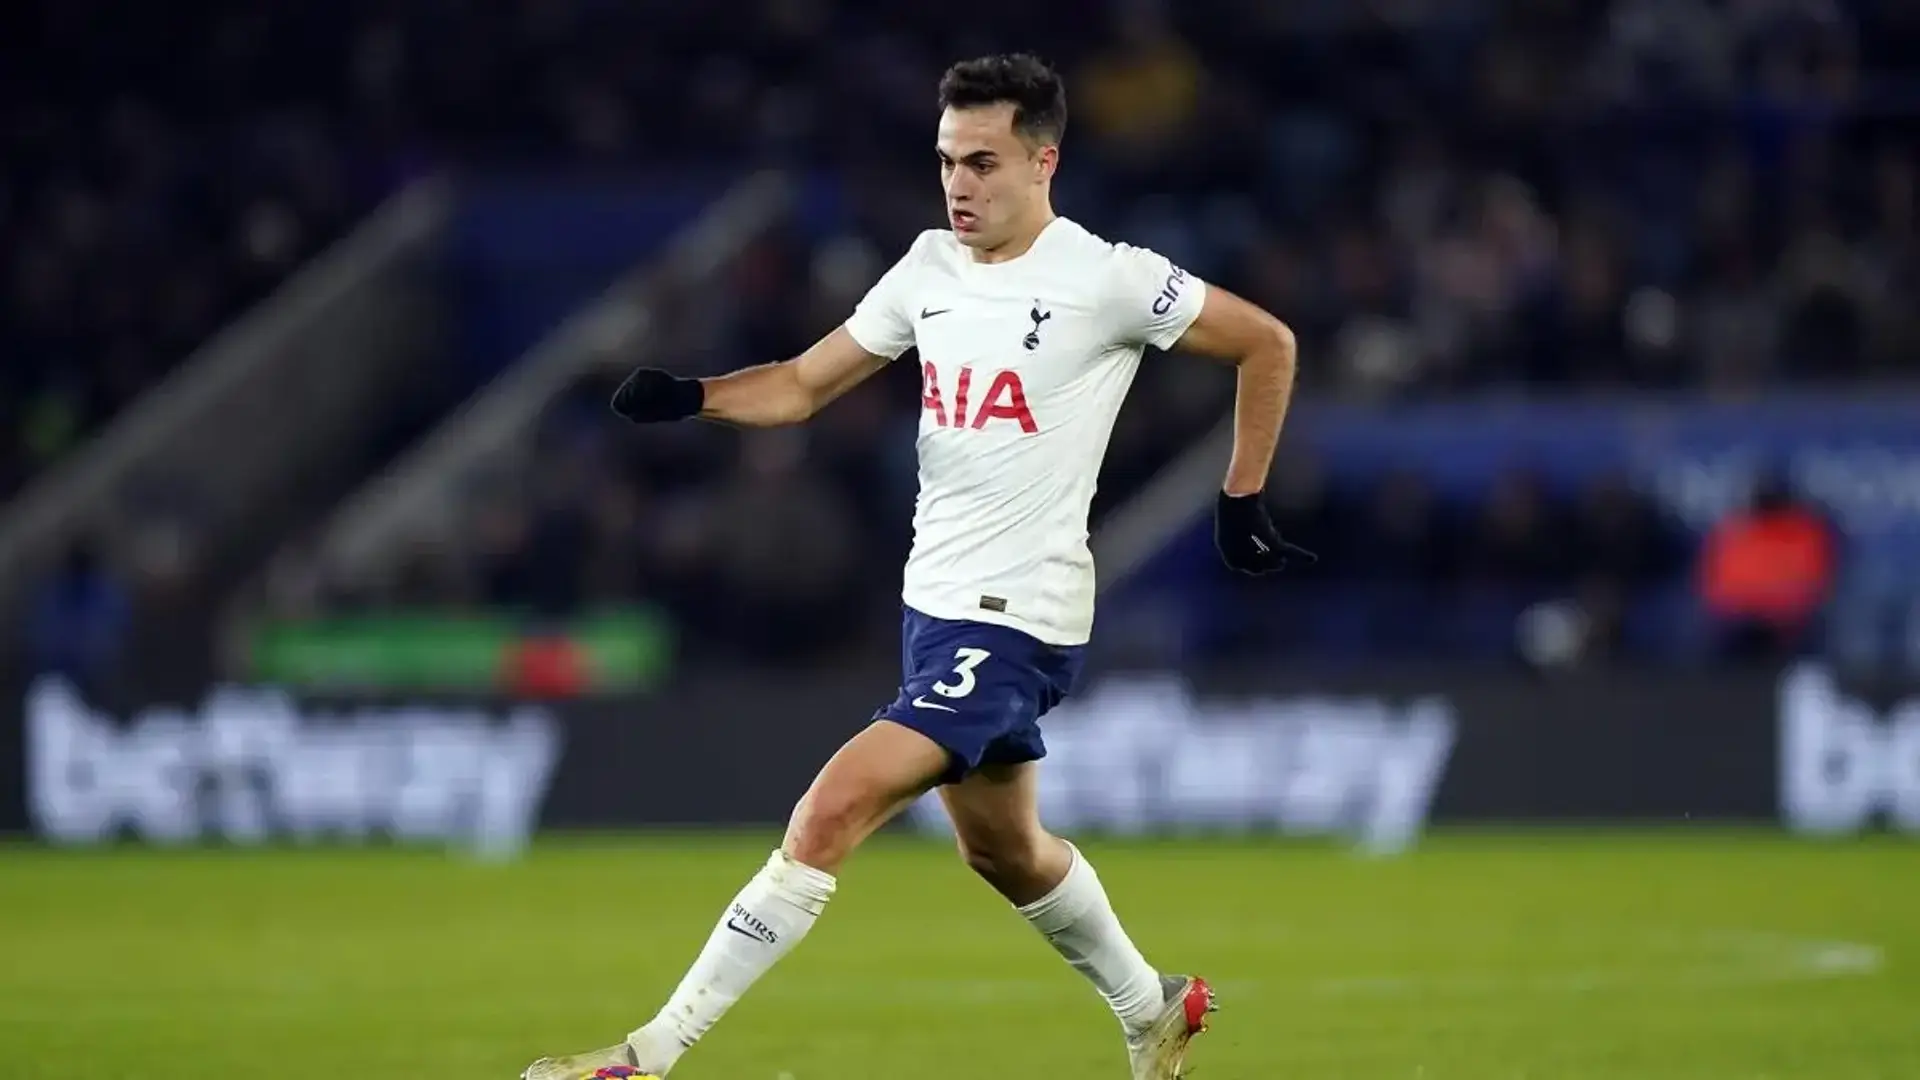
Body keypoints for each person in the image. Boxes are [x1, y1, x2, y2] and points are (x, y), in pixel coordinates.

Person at [522, 53, 1313, 1080]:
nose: (960, 185)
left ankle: (645, 1058)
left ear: (1044, 161)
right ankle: (1152, 1004)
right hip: (934, 611)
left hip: (1018, 615)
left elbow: (1269, 343)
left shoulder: (1108, 277)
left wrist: (1241, 496)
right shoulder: (929, 268)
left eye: (983, 162)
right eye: (947, 161)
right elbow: (805, 385)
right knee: (1005, 852)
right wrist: (692, 398)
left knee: (827, 814)